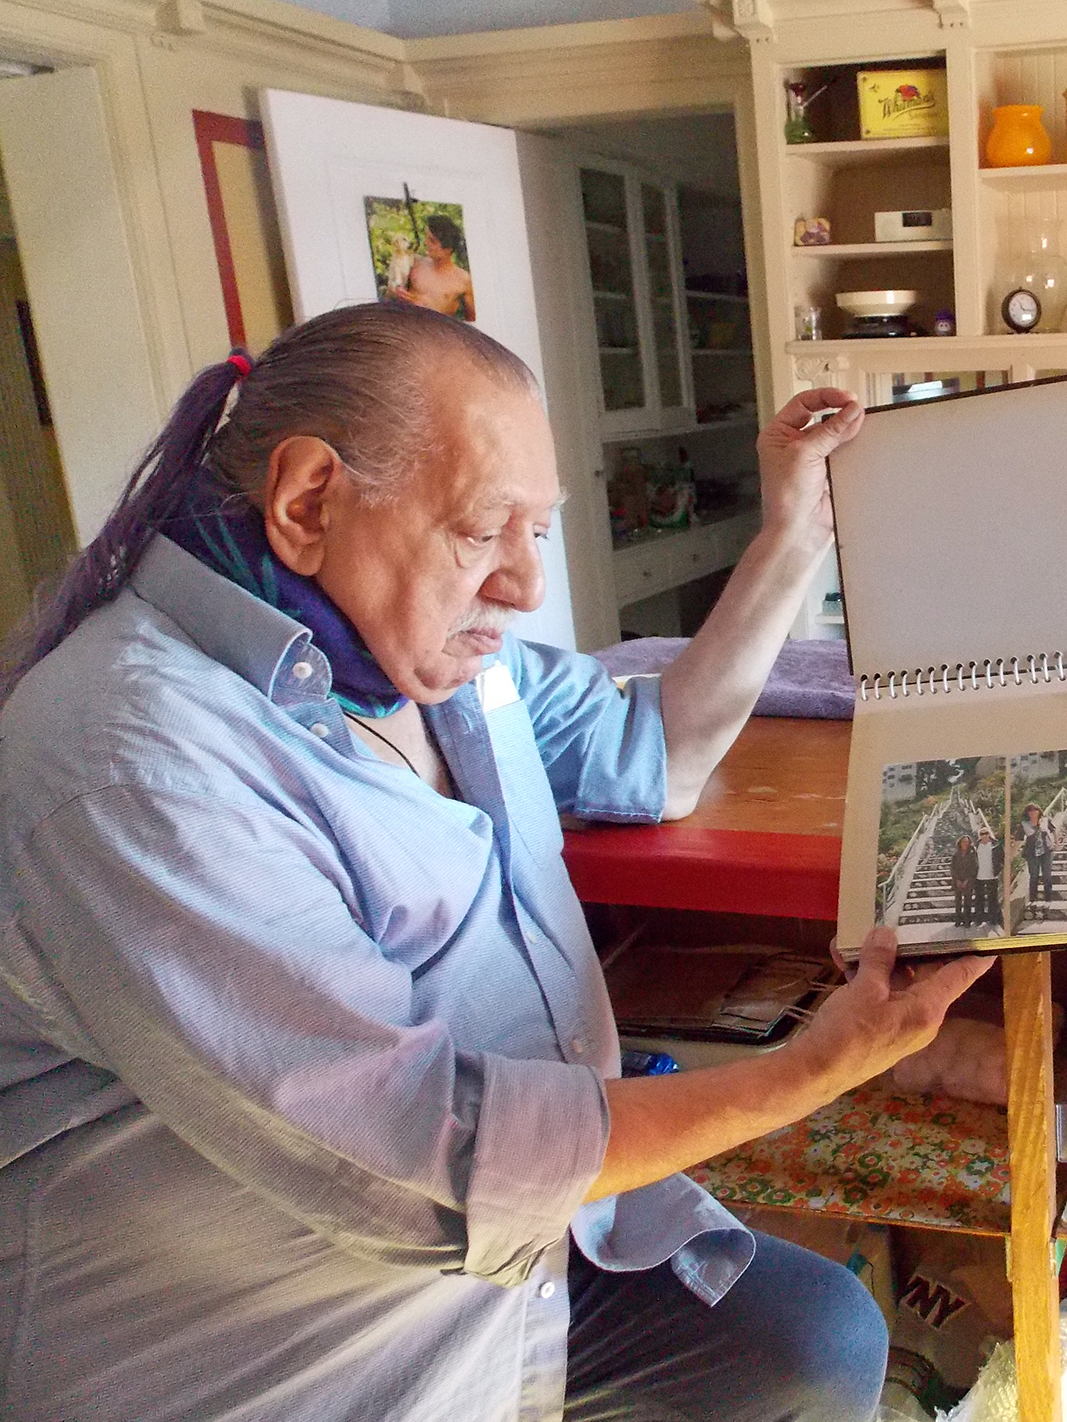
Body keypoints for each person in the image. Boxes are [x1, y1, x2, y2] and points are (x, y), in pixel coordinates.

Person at [0, 301, 992, 1421]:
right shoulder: (136, 760)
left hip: (510, 1268)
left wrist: (795, 532)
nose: (524, 586)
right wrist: (805, 1071)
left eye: (538, 530)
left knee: (803, 1342)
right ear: (308, 500)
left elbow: (651, 755)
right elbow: (427, 1171)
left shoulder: (433, 660)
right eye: (484, 531)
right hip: (288, 1348)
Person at [394, 213, 477, 321]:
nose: (425, 243)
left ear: (448, 249)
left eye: (432, 241)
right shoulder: (416, 263)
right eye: (426, 237)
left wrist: (425, 307)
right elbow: (391, 293)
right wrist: (396, 292)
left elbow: (472, 321)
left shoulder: (463, 279)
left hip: (437, 332)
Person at [1020, 803, 1056, 914]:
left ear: (1039, 811)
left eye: (1035, 810)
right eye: (1030, 810)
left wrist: (1056, 842)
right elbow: (1018, 838)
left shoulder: (1045, 820)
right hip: (1032, 853)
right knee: (1034, 876)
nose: (1033, 812)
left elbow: (1053, 829)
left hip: (1046, 851)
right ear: (1027, 813)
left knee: (1047, 875)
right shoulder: (1024, 824)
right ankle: (1033, 899)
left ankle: (1048, 899)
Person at [973, 826, 1002, 928]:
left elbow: (1001, 857)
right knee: (978, 898)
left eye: (986, 833)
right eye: (982, 834)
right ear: (979, 836)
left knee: (992, 899)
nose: (984, 835)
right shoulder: (975, 846)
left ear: (989, 834)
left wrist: (999, 870)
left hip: (992, 875)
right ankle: (979, 918)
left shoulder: (996, 845)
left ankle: (993, 918)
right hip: (978, 876)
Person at [950, 833, 976, 927]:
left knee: (967, 902)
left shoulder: (972, 854)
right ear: (960, 843)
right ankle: (958, 920)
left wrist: (967, 880)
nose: (965, 844)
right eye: (963, 842)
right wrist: (957, 879)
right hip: (957, 881)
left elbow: (974, 867)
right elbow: (953, 868)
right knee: (958, 901)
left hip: (968, 881)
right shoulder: (956, 855)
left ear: (969, 843)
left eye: (967, 842)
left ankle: (967, 921)